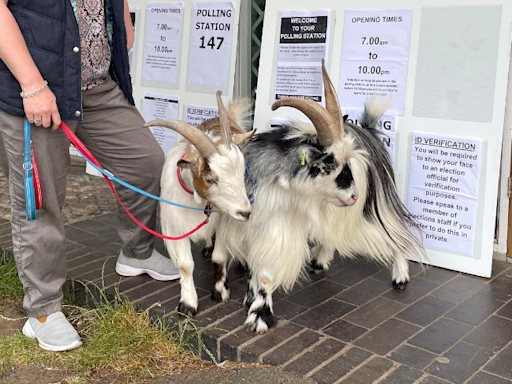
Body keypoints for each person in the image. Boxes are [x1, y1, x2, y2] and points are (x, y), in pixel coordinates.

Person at [0, 0, 180, 352]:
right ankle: (43, 310)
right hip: (38, 91)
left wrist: (122, 18)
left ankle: (137, 252)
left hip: (97, 86)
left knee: (146, 162)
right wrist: (32, 87)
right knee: (42, 198)